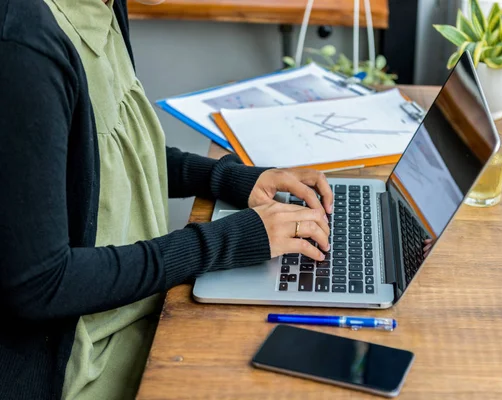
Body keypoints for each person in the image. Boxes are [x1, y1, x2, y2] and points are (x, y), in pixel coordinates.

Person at [0, 0, 334, 398]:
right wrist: (228, 240)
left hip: (141, 303)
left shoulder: (103, 7)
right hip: (77, 365)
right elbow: (40, 285)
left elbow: (105, 156)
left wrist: (230, 178)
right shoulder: (23, 45)